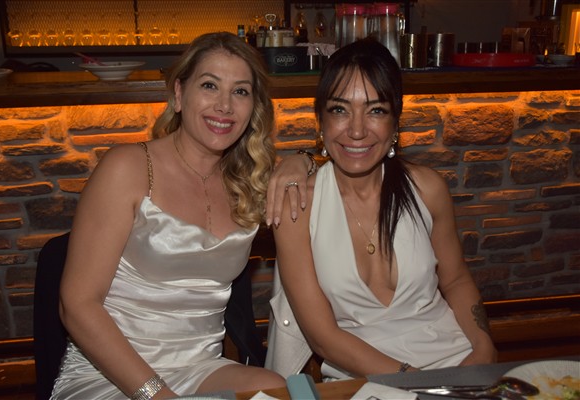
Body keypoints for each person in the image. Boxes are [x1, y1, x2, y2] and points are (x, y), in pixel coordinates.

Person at [51, 32, 310, 399]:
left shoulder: (250, 180)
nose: (224, 106)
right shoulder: (128, 168)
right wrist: (158, 395)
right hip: (109, 373)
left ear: (253, 107)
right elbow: (77, 306)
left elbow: (338, 172)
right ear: (178, 93)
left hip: (200, 368)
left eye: (240, 91)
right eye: (209, 85)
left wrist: (304, 160)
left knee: (275, 390)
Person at [265, 38, 497, 380]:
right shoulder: (296, 205)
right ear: (320, 121)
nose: (357, 130)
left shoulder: (428, 188)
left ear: (395, 123)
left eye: (376, 110)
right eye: (340, 110)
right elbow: (323, 337)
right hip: (362, 378)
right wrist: (417, 381)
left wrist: (483, 346)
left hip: (456, 361)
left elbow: (457, 279)